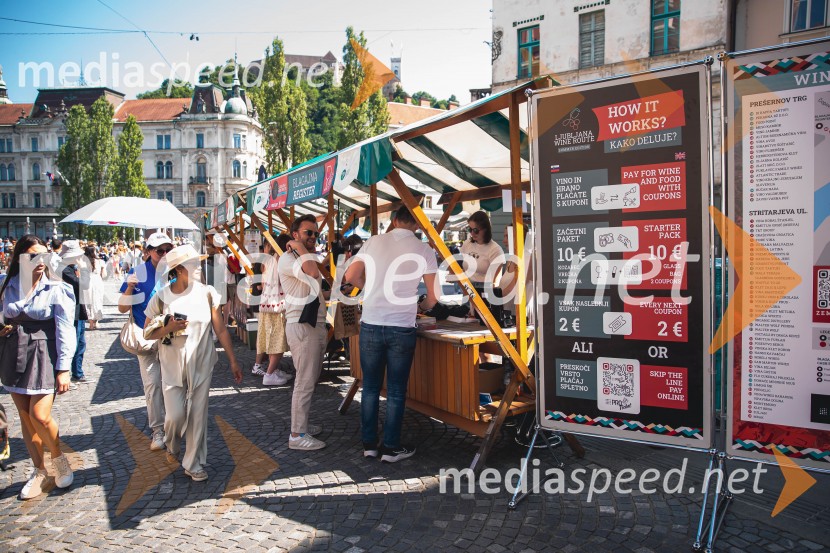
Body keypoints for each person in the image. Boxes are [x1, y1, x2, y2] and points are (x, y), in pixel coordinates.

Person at [343, 206, 439, 463]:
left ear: (394, 220)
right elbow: (434, 297)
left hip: (372, 322)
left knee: (371, 387)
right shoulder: (424, 249)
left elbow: (350, 276)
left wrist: (370, 289)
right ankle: (392, 447)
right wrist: (422, 306)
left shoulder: (373, 241)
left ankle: (369, 445)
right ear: (417, 224)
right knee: (396, 390)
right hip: (402, 325)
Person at [144, 244, 243, 481]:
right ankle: (172, 444)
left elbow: (220, 329)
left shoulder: (207, 292)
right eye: (192, 264)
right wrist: (167, 327)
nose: (199, 267)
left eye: (198, 263)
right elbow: (147, 332)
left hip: (201, 360)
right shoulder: (161, 296)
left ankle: (193, 463)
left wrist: (233, 360)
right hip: (171, 362)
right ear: (178, 269)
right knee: (175, 416)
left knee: (198, 414)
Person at [0, 234, 76, 499]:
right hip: (12, 351)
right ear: (20, 258)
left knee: (39, 415)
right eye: (33, 256)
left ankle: (59, 458)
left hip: (44, 352)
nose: (40, 261)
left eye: (43, 255)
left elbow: (66, 329)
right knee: (24, 416)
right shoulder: (5, 284)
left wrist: (64, 367)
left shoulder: (57, 287)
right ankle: (39, 471)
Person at [277, 214, 328, 451]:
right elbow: (313, 273)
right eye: (309, 233)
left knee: (311, 377)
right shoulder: (290, 257)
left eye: (316, 233)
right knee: (304, 381)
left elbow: (314, 286)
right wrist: (297, 245)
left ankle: (303, 424)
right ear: (295, 234)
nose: (313, 237)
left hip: (313, 324)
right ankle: (296, 435)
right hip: (301, 325)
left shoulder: (303, 256)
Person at [118, 232, 172, 451]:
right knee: (153, 385)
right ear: (149, 252)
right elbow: (122, 307)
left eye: (168, 249)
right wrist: (130, 287)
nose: (165, 254)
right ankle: (158, 430)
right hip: (146, 337)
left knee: (174, 383)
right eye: (160, 250)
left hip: (171, 336)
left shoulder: (176, 269)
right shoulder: (137, 272)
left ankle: (174, 423)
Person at [256, 234, 294, 386]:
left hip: (266, 304)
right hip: (277, 306)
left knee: (272, 340)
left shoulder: (270, 259)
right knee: (278, 341)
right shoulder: (282, 260)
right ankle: (270, 374)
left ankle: (273, 370)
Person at [59, 240, 93, 385]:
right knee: (72, 343)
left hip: (77, 309)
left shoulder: (70, 267)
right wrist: (84, 269)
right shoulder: (64, 269)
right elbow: (83, 285)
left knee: (80, 343)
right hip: (70, 311)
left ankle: (77, 373)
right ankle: (71, 374)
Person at [459, 211, 504, 291]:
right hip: (467, 289)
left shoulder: (495, 250)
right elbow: (461, 267)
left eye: (476, 230)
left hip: (485, 292)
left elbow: (495, 281)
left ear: (485, 229)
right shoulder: (467, 244)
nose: (472, 233)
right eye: (470, 229)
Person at [83, 246, 105, 328]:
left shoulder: (83, 261)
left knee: (88, 301)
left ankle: (91, 323)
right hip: (97, 282)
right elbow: (103, 274)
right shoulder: (100, 261)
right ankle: (96, 321)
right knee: (97, 301)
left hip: (87, 281)